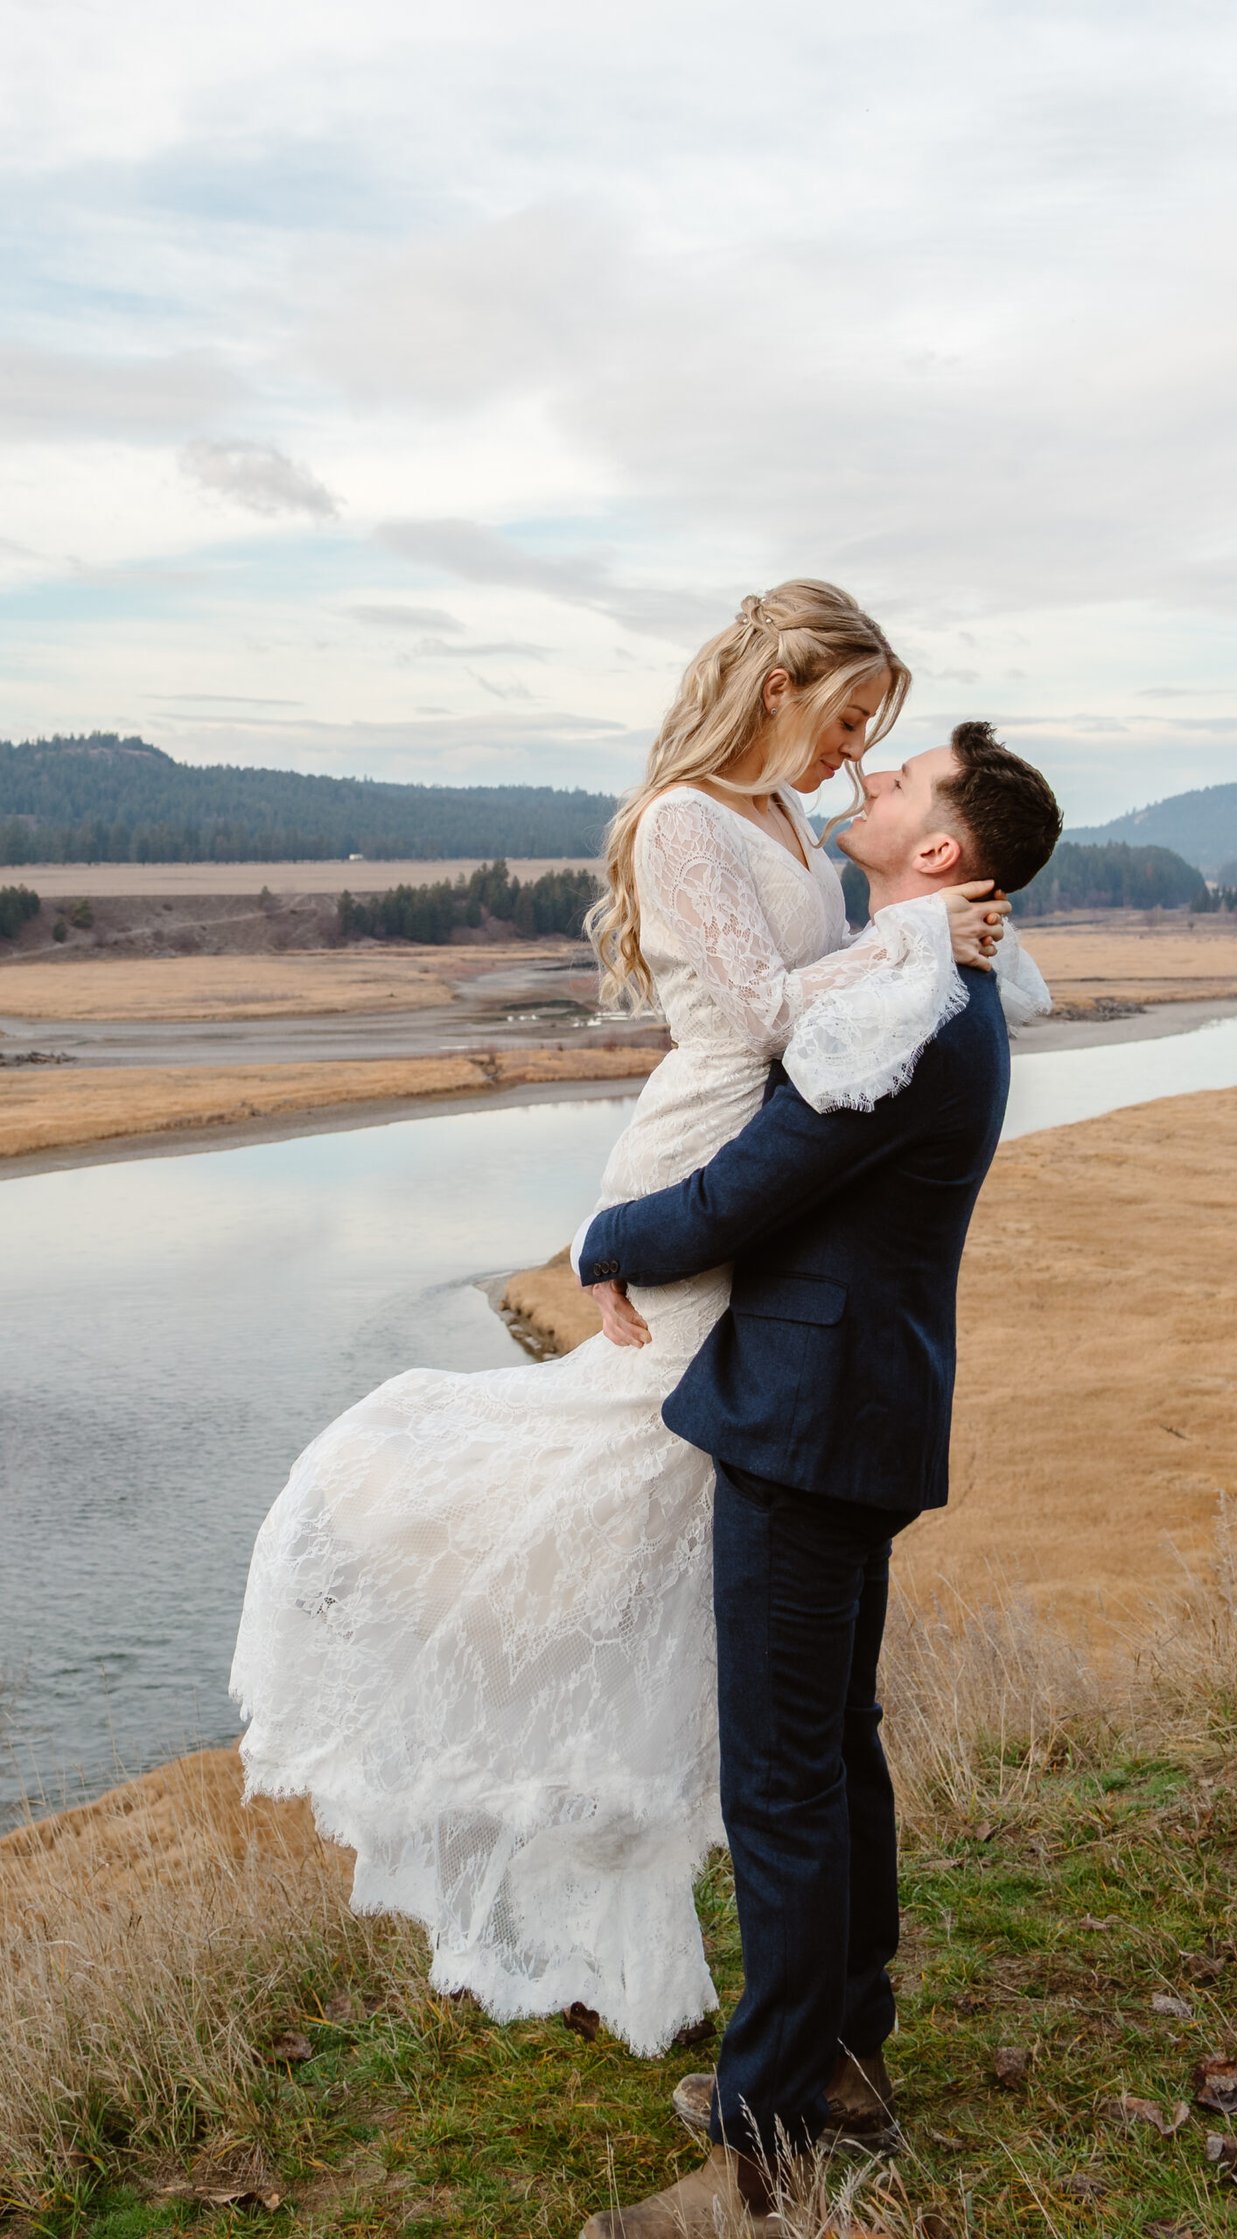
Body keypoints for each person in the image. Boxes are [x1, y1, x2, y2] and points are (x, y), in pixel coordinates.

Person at [230, 581, 1045, 2056]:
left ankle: (783, 2103)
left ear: (934, 845)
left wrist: (918, 940)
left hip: (793, 1343)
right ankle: (810, 2019)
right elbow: (765, 1023)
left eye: (887, 747)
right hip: (753, 1221)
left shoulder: (901, 960)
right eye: (852, 719)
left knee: (782, 1743)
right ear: (785, 679)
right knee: (768, 1677)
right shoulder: (765, 866)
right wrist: (914, 941)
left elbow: (797, 1098)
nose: (858, 756)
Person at [571, 723, 1063, 2239]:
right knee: (830, 1755)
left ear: (942, 855)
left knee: (780, 1781)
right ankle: (840, 2060)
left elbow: (753, 1183)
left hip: (807, 1421)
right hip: (857, 1412)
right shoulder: (931, 974)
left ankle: (761, 2154)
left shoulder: (911, 1006)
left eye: (900, 782)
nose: (870, 781)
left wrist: (607, 1240)